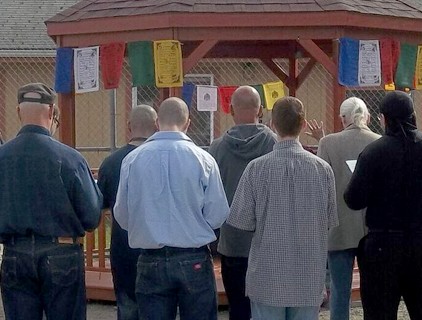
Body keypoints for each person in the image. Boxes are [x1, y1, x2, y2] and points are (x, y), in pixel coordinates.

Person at [344, 90, 422, 320]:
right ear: (414, 115)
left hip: (382, 246)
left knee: (379, 313)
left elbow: (353, 199)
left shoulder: (373, 153)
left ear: (384, 119)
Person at [114, 97, 229, 320]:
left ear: (157, 122)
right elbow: (217, 215)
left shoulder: (132, 160)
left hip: (150, 258)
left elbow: (122, 215)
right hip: (193, 256)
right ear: (188, 122)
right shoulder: (203, 159)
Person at [227, 96, 338, 320]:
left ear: (272, 125)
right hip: (308, 275)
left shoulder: (256, 169)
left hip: (267, 276)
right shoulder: (323, 169)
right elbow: (329, 221)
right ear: (304, 124)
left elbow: (241, 221)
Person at [0, 83, 102, 320]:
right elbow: (91, 216)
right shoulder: (70, 159)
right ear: (52, 111)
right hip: (62, 252)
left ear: (18, 112)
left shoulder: (2, 158)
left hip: (15, 252)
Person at [208, 86, 277, 320]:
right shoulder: (274, 144)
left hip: (232, 239)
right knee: (266, 308)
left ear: (230, 109)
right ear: (259, 109)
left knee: (238, 308)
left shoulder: (217, 148)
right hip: (266, 240)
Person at [316, 97, 381, 320]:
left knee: (340, 291)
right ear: (368, 117)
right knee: (372, 291)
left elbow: (322, 185)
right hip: (371, 228)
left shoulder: (328, 143)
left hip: (339, 226)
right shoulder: (379, 142)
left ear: (342, 118)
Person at [97, 105, 158, 320]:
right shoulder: (162, 159)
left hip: (123, 247)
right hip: (157, 247)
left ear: (129, 126)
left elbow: (100, 205)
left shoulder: (112, 162)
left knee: (127, 307)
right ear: (157, 126)